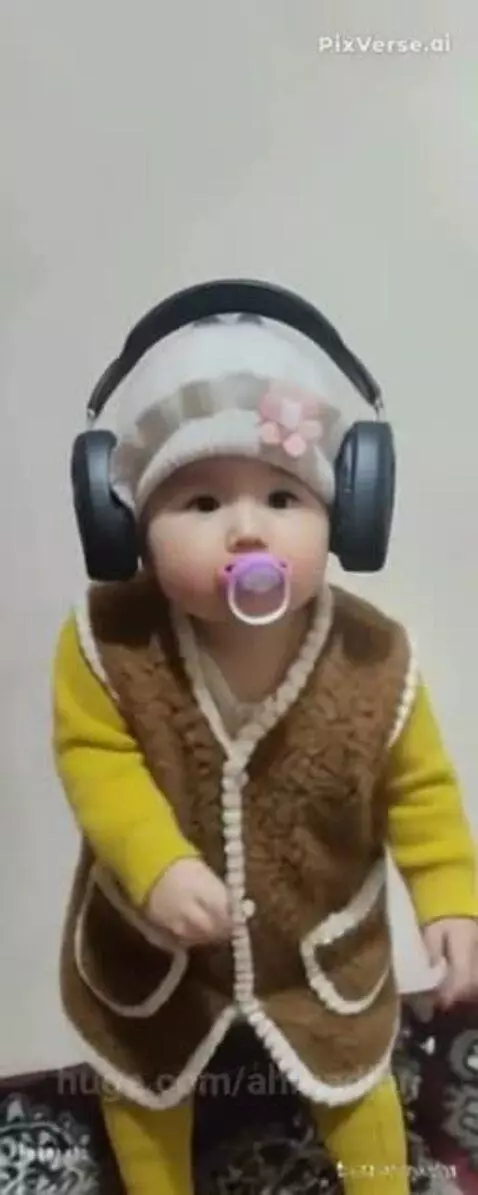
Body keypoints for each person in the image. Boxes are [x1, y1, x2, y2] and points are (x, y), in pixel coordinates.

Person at [52, 285, 478, 1194]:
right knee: (142, 1075)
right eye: (202, 501)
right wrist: (154, 863)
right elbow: (96, 757)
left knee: (354, 1076)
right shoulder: (108, 644)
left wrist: (450, 897)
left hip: (318, 945)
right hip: (153, 948)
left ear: (348, 516)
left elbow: (420, 789)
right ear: (126, 527)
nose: (247, 527)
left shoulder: (375, 659)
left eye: (284, 495)